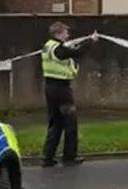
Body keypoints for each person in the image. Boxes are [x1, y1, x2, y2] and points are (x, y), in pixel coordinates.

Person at [41, 22, 97, 167]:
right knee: (70, 124)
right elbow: (77, 53)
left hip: (50, 89)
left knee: (55, 123)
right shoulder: (58, 49)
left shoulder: (48, 46)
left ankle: (48, 157)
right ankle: (69, 157)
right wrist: (91, 41)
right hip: (62, 91)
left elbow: (68, 51)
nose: (68, 35)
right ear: (58, 34)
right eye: (65, 33)